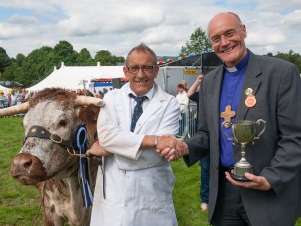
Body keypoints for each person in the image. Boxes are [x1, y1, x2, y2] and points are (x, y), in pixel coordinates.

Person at [182, 12, 301, 226]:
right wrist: (184, 147)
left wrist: (271, 178)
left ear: (243, 31)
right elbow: (207, 134)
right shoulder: (209, 82)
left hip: (267, 192)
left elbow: (294, 136)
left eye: (229, 33)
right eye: (216, 39)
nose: (224, 43)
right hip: (225, 192)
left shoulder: (281, 72)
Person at [88, 43, 186, 226]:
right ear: (126, 71)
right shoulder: (111, 98)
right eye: (134, 68)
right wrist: (155, 140)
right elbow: (108, 137)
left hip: (151, 195)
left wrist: (112, 150)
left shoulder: (169, 103)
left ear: (156, 70)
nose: (141, 74)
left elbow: (159, 155)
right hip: (113, 196)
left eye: (147, 67)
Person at [186, 74, 210, 211]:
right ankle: (205, 199)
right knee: (206, 169)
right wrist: (198, 81)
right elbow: (189, 94)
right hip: (206, 137)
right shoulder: (201, 96)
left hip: (222, 137)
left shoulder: (220, 94)